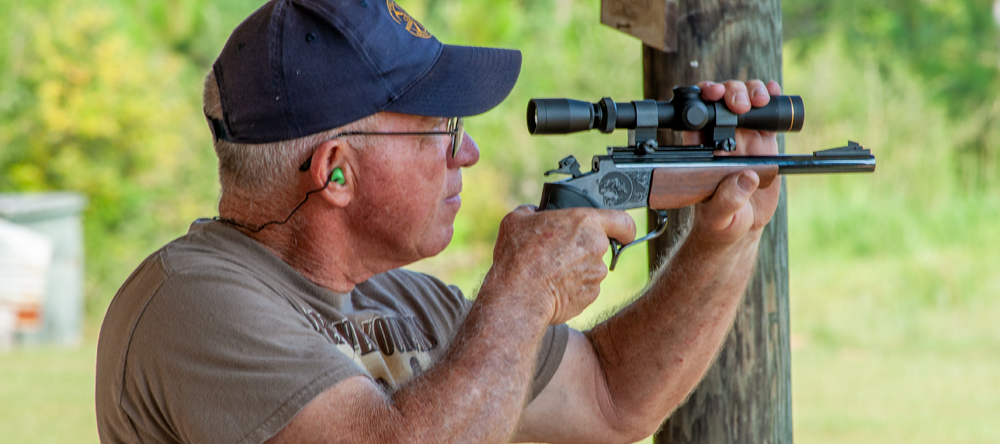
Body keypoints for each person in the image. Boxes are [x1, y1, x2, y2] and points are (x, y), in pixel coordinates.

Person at [95, 1, 782, 443]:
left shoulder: (397, 298)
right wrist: (519, 295)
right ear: (335, 170)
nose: (467, 150)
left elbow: (610, 397)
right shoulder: (191, 306)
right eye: (437, 127)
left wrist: (728, 234)